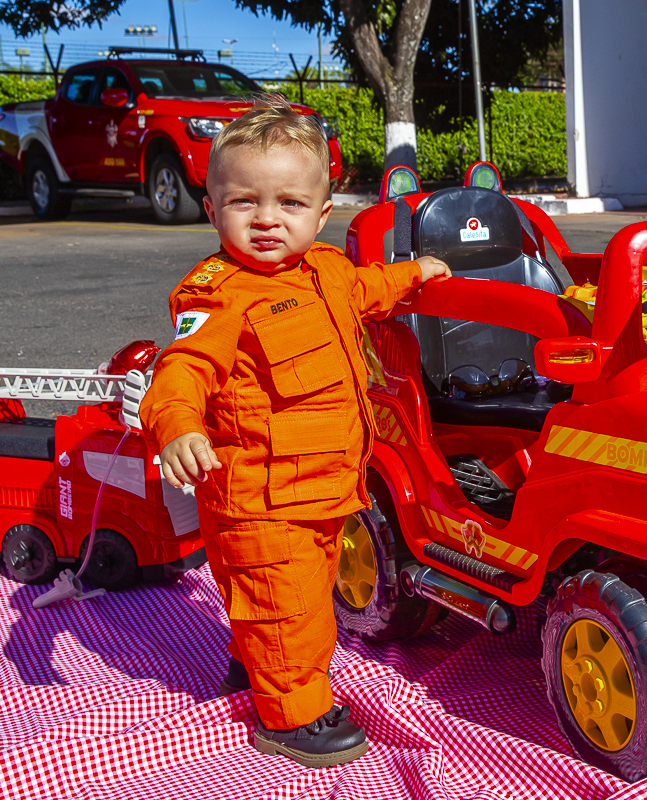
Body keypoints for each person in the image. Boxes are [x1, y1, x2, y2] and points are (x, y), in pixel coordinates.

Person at [140, 95, 449, 768]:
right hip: (261, 501)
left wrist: (414, 276)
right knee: (292, 611)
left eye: (289, 203)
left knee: (284, 599)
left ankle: (252, 668)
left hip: (324, 491)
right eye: (244, 202)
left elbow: (367, 289)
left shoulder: (327, 271)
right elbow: (182, 370)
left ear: (322, 212)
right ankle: (293, 716)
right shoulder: (217, 294)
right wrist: (178, 427)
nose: (267, 219)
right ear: (211, 208)